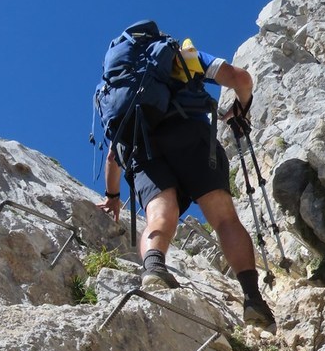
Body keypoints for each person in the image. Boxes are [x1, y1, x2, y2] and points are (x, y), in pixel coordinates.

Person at [98, 37, 276, 331]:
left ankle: (154, 269)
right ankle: (253, 300)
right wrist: (243, 106)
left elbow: (112, 156)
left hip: (141, 149)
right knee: (223, 218)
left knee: (159, 212)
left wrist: (112, 195)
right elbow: (239, 78)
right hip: (190, 135)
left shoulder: (114, 89)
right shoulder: (180, 56)